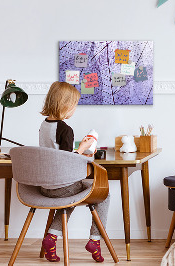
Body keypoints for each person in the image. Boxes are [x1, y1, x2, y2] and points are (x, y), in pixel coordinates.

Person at [39, 81, 109, 263]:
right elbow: (66, 161)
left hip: (45, 186)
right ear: (65, 105)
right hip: (61, 186)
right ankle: (95, 240)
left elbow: (56, 154)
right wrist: (83, 149)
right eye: (74, 105)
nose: (75, 109)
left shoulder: (44, 125)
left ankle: (51, 238)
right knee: (104, 194)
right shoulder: (65, 129)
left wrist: (78, 149)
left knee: (70, 198)